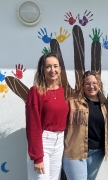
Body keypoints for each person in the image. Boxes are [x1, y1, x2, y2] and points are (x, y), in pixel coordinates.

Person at [26, 52, 69, 180]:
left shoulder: (61, 91)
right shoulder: (35, 91)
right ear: (42, 69)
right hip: (43, 142)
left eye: (55, 66)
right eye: (48, 66)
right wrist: (38, 156)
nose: (52, 70)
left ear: (60, 69)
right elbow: (33, 126)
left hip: (59, 141)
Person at [63, 71, 108, 180]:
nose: (91, 86)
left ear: (99, 84)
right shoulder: (72, 101)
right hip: (75, 152)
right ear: (82, 86)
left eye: (95, 83)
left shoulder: (105, 103)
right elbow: (61, 123)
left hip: (97, 152)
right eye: (88, 83)